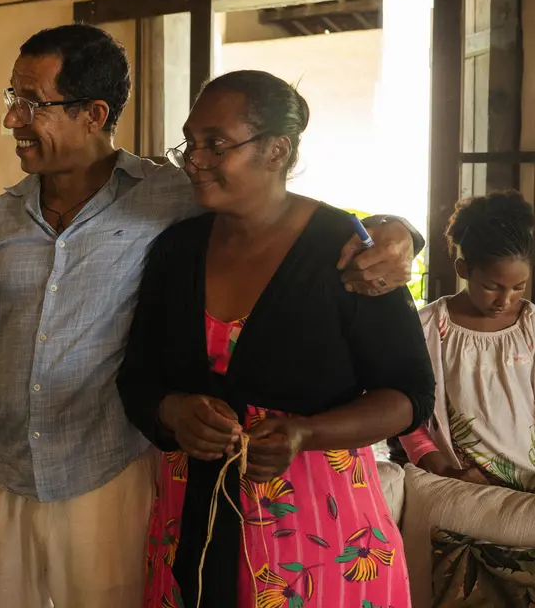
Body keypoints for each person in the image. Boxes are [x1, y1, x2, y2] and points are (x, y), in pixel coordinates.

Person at [0, 24, 424, 607]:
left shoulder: (184, 201)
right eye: (191, 144)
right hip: (69, 486)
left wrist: (401, 233)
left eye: (32, 102)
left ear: (94, 114)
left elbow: (284, 214)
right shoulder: (154, 237)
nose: (13, 118)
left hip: (209, 500)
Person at [116, 70, 436, 608]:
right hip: (191, 531)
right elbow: (137, 377)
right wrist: (173, 411)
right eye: (190, 143)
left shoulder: (348, 252)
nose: (194, 159)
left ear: (276, 150)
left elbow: (410, 395)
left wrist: (305, 433)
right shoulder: (178, 250)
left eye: (216, 144)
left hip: (320, 541)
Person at [399, 191, 535, 491]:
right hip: (459, 486)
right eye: (492, 286)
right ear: (463, 270)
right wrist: (444, 469)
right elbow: (408, 415)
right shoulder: (427, 328)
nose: (505, 300)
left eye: (519, 287)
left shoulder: (530, 326)